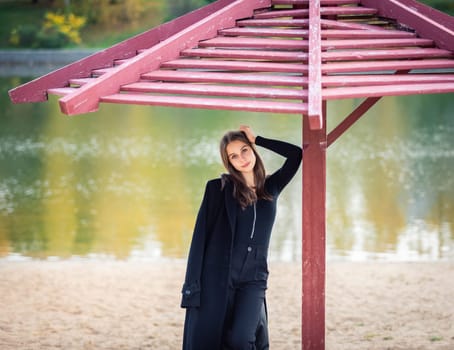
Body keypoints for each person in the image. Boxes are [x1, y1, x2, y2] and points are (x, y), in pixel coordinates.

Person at [181, 125, 302, 350]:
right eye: (234, 156)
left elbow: (296, 154)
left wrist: (259, 139)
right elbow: (200, 238)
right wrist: (191, 285)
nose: (242, 159)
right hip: (220, 276)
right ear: (229, 163)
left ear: (253, 150)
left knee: (241, 339)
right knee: (216, 337)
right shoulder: (220, 189)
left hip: (254, 279)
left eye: (245, 150)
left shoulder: (271, 187)